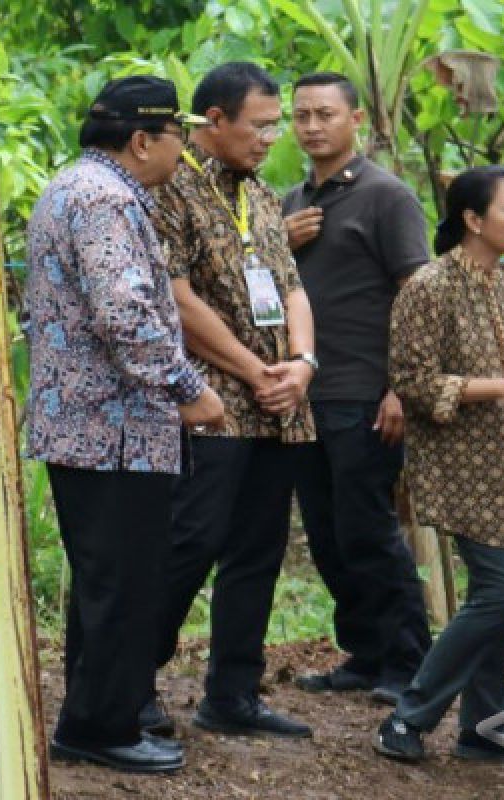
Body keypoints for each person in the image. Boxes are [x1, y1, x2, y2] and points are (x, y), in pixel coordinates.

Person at [25, 76, 224, 773]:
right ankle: (99, 727)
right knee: (123, 585)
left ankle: (95, 715)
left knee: (106, 584)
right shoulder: (105, 200)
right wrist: (188, 389)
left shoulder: (76, 188)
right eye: (179, 137)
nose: (187, 151)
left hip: (93, 427)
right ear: (142, 140)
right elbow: (126, 314)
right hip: (110, 430)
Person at [147, 61, 317, 738]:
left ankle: (233, 693)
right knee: (191, 540)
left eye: (276, 125)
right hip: (212, 400)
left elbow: (294, 287)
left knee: (258, 547)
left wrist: (302, 364)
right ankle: (130, 685)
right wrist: (253, 370)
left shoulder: (264, 195)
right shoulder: (170, 187)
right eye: (261, 125)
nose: (272, 138)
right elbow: (177, 300)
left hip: (279, 403)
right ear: (213, 121)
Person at [372, 166, 504, 764]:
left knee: (494, 595)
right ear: (474, 220)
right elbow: (413, 383)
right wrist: (502, 387)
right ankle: (409, 715)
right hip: (460, 468)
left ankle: (484, 725)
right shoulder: (428, 287)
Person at [281, 71, 431, 705]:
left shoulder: (386, 196)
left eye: (326, 115)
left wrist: (401, 388)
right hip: (302, 393)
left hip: (365, 393)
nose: (313, 127)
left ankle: (409, 664)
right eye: (302, 116)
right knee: (328, 533)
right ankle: (365, 653)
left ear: (357, 120)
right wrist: (276, 245)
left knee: (368, 529)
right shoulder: (286, 202)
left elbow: (419, 297)